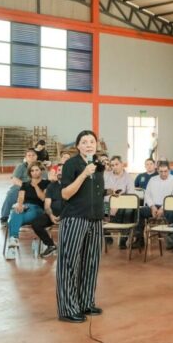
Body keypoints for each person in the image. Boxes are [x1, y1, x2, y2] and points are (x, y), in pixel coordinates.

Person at [56, 130, 105, 323]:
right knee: (69, 264)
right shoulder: (71, 164)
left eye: (91, 141)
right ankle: (68, 309)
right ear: (78, 146)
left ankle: (85, 302)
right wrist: (84, 174)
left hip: (95, 218)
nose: (88, 145)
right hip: (75, 219)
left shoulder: (98, 165)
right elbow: (66, 194)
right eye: (84, 142)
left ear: (96, 145)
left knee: (91, 262)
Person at [4, 162, 49, 260]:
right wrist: (20, 205)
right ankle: (13, 241)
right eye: (32, 171)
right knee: (16, 211)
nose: (34, 172)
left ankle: (12, 245)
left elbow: (43, 198)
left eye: (37, 170)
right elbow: (21, 197)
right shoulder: (25, 184)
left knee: (13, 220)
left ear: (41, 171)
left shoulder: (46, 183)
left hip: (38, 209)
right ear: (30, 173)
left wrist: (36, 186)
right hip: (25, 207)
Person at [134, 161, 173, 248]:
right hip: (154, 206)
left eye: (165, 171)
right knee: (139, 211)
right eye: (161, 171)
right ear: (158, 170)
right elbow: (147, 194)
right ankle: (139, 240)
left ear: (169, 170)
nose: (163, 173)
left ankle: (171, 241)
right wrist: (152, 206)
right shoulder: (153, 179)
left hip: (168, 207)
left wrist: (163, 208)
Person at [31, 164, 63, 258]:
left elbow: (75, 205)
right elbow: (47, 205)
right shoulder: (52, 186)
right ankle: (51, 245)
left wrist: (63, 216)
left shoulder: (73, 185)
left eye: (63, 170)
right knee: (36, 224)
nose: (60, 172)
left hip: (69, 214)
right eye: (59, 170)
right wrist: (51, 215)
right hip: (53, 214)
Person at [0, 148, 38, 226]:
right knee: (11, 194)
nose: (31, 157)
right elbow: (14, 179)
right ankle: (4, 217)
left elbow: (44, 179)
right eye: (29, 155)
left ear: (36, 157)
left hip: (35, 187)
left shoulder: (40, 167)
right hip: (21, 186)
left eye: (33, 155)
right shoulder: (21, 166)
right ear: (26, 157)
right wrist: (25, 187)